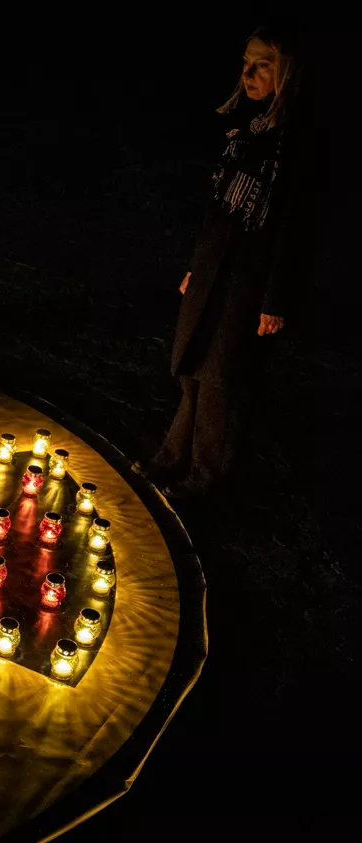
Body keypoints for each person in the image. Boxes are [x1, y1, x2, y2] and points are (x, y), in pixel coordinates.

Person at [138, 27, 310, 501]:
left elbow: (292, 227)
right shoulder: (245, 130)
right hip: (216, 269)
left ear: (287, 72)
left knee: (220, 377)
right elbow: (217, 207)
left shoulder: (294, 143)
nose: (248, 74)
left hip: (248, 280)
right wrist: (198, 265)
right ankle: (173, 455)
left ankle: (205, 475)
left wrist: (274, 300)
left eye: (262, 65)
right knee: (191, 363)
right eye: (245, 63)